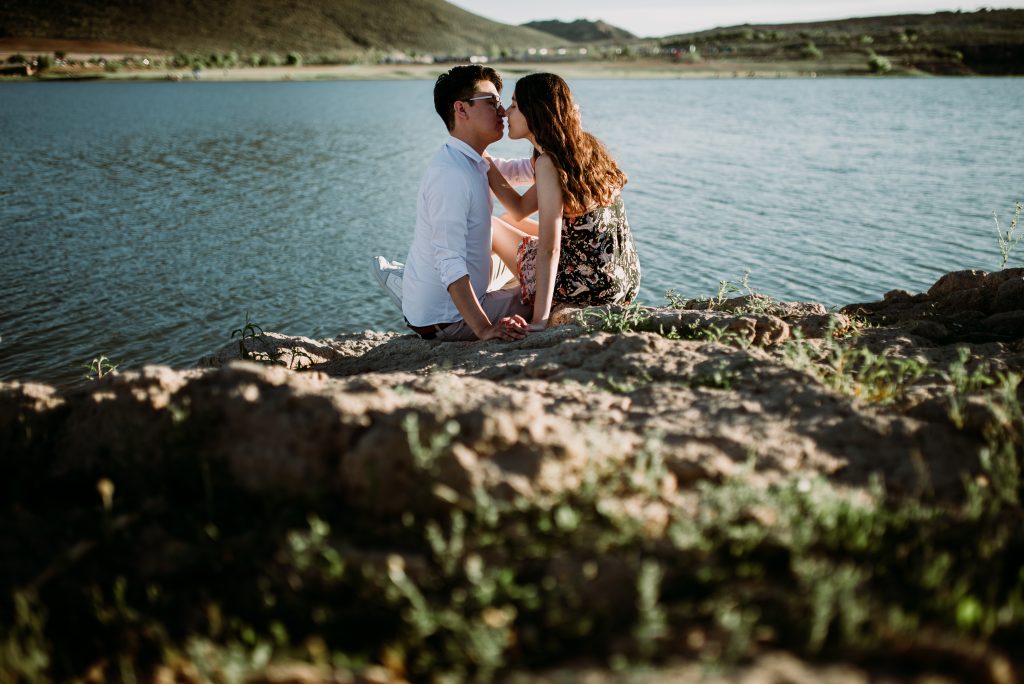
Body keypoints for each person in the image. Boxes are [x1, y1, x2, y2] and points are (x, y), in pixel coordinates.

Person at [486, 73, 641, 332]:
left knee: (491, 226)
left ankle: (474, 293)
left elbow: (550, 248)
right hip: (624, 279)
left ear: (535, 111)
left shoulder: (549, 162)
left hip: (588, 286)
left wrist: (540, 319)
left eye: (514, 105)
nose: (505, 112)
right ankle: (507, 285)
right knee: (507, 219)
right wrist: (486, 161)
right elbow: (520, 209)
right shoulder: (584, 146)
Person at [400, 64, 537, 342]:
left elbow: (526, 170)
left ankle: (409, 284)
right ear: (461, 109)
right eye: (492, 102)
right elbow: (448, 260)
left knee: (514, 239)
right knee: (554, 291)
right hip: (448, 318)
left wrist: (558, 146)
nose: (502, 111)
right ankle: (416, 295)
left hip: (462, 284)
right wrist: (484, 329)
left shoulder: (473, 159)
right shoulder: (450, 174)